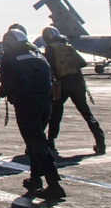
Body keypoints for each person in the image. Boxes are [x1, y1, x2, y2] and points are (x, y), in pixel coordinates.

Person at [0, 28, 66, 200]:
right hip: (46, 104)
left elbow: (9, 86)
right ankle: (35, 179)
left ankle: (54, 184)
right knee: (36, 141)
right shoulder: (39, 56)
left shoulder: (11, 60)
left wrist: (3, 89)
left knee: (37, 143)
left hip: (27, 105)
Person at [42, 26, 105, 155]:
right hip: (77, 82)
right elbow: (82, 63)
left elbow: (49, 67)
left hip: (62, 84)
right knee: (86, 113)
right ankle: (100, 141)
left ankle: (50, 141)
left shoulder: (50, 48)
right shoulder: (68, 47)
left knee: (55, 113)